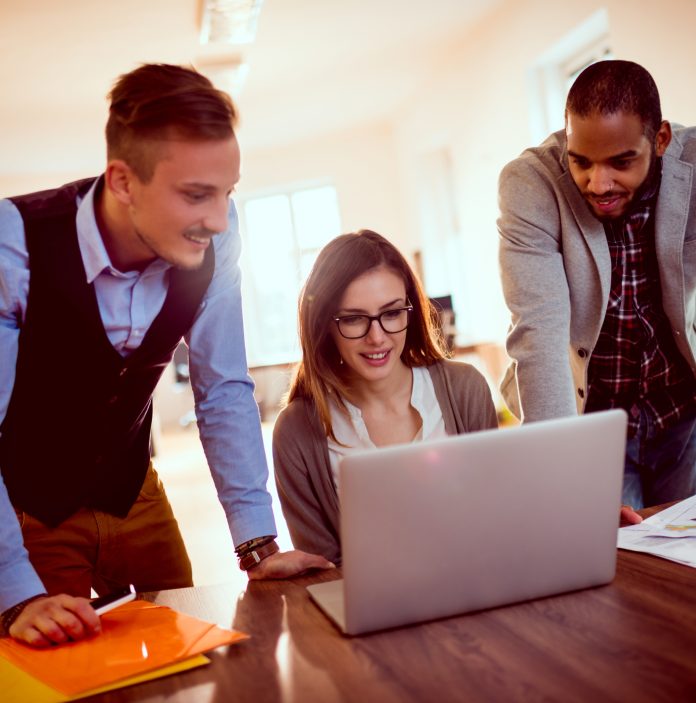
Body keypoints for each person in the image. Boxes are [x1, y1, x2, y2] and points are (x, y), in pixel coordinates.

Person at [0, 63, 332, 648]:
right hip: (32, 511)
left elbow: (223, 386)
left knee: (197, 657)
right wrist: (14, 593)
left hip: (138, 493)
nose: (219, 219)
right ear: (124, 181)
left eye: (228, 193)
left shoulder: (216, 241)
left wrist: (258, 543)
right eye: (196, 195)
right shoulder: (14, 242)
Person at [497, 59, 696, 515]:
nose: (599, 183)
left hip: (683, 413)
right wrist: (564, 478)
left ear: (660, 139)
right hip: (591, 421)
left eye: (621, 162)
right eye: (581, 161)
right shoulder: (530, 184)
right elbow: (539, 333)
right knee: (606, 556)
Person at [272, 230, 498, 564]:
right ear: (324, 324)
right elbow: (325, 574)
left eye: (392, 313)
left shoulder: (465, 389)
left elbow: (494, 520)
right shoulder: (297, 432)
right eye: (353, 319)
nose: (377, 338)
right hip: (374, 611)